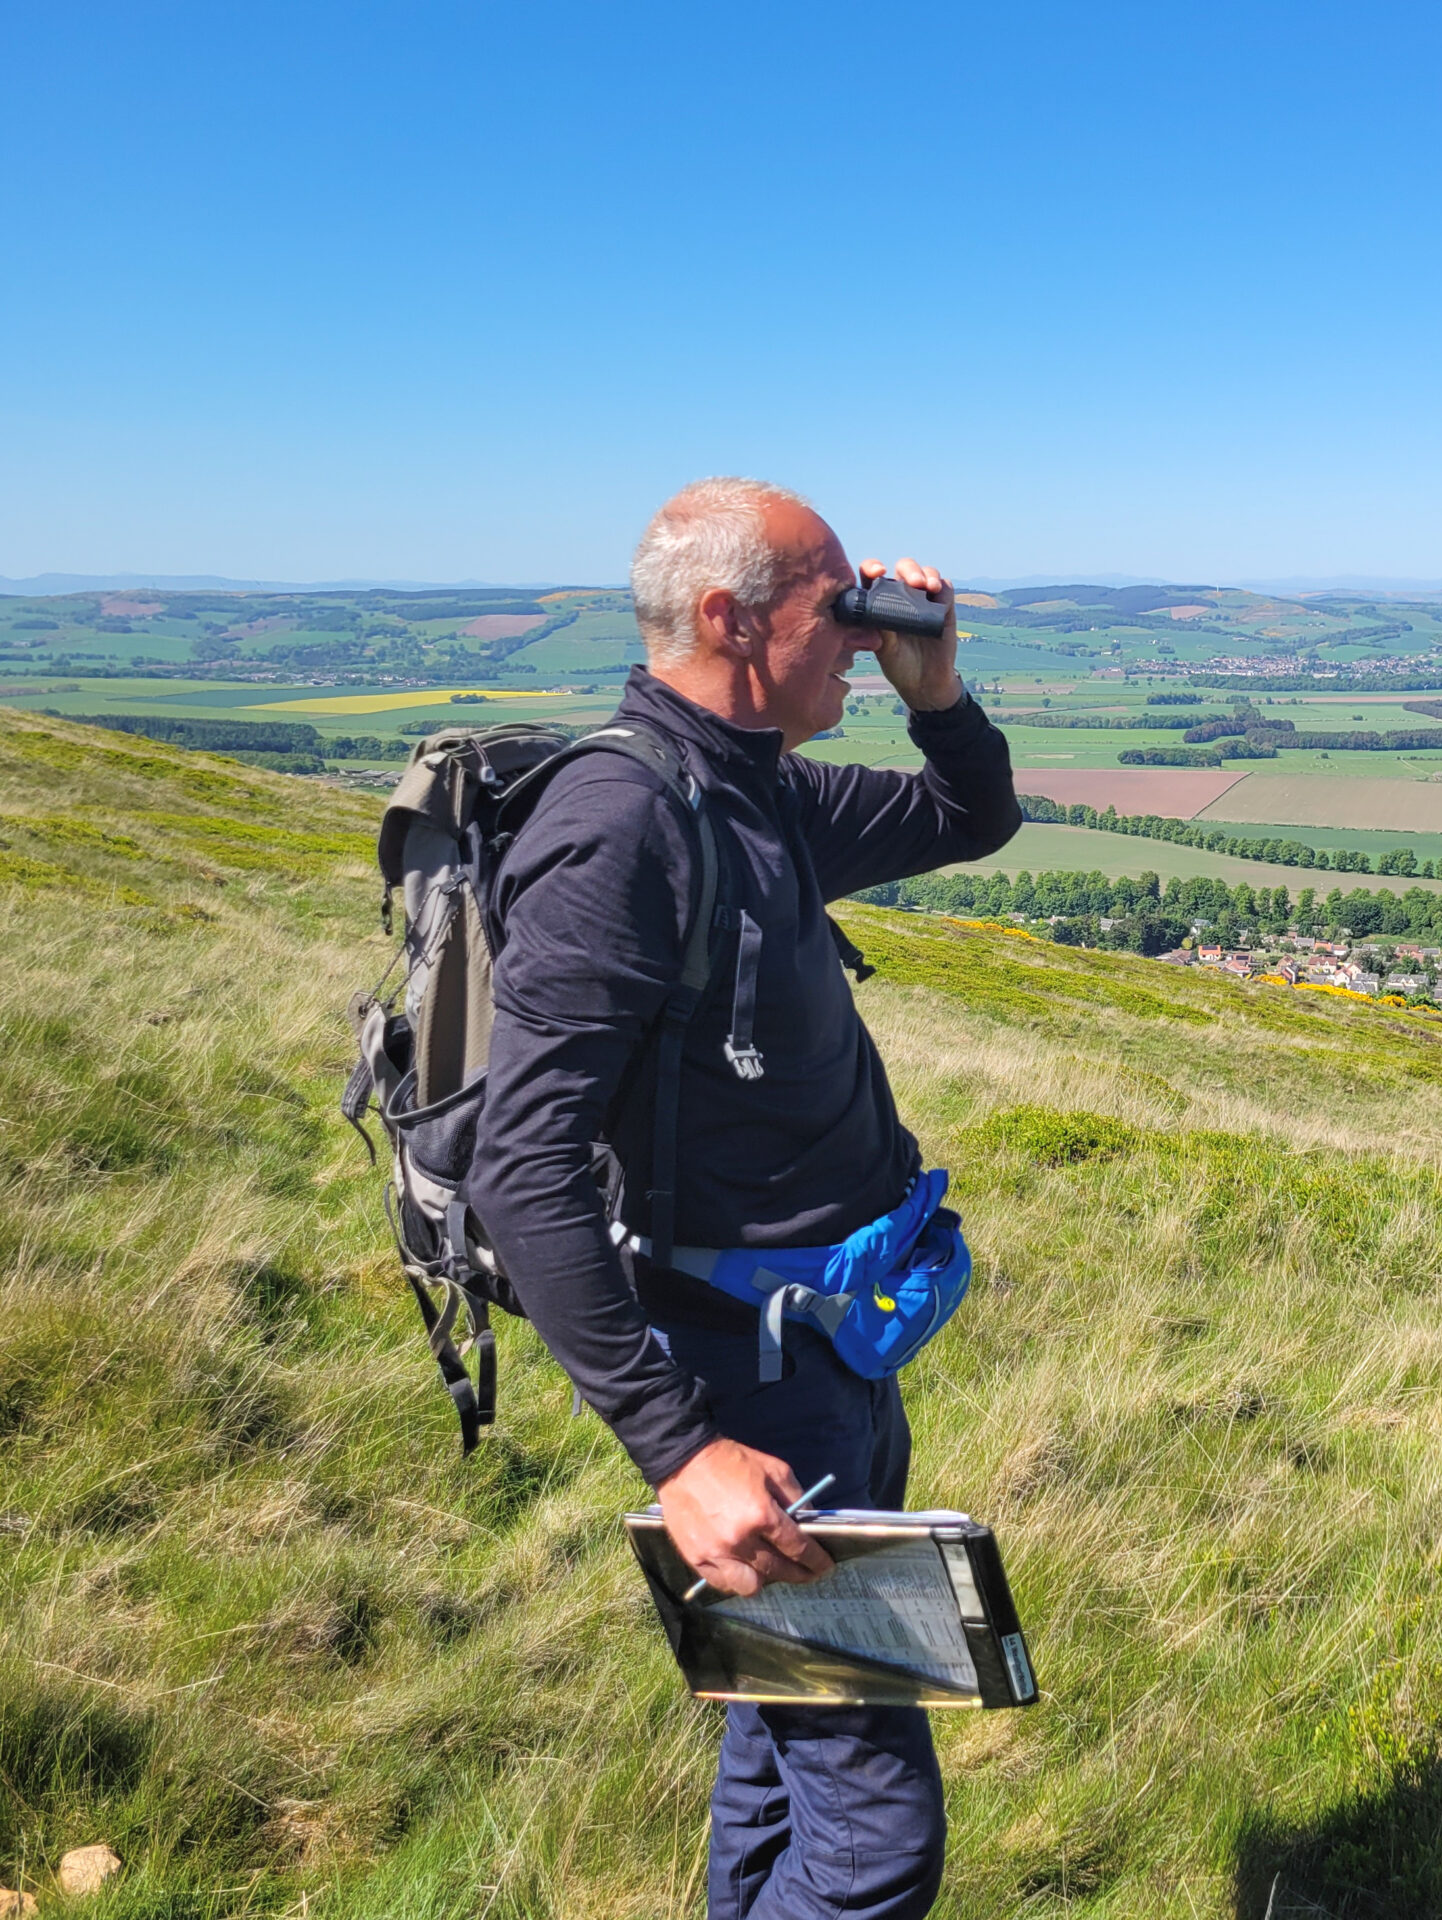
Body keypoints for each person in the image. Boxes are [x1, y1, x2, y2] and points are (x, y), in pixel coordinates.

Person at [472, 477, 1019, 1919]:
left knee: (782, 1746)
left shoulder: (758, 787)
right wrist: (678, 1449)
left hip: (828, 1356)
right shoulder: (627, 827)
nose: (855, 634)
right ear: (727, 617)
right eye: (830, 608)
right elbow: (518, 1166)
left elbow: (974, 816)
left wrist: (936, 687)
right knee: (873, 1832)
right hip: (745, 1396)